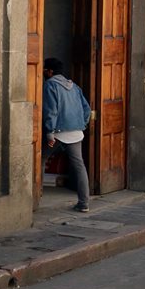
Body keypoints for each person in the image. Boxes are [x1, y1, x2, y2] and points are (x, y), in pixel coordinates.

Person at [42, 58, 92, 213]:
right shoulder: (74, 86)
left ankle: (33, 199)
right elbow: (87, 110)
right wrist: (80, 124)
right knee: (79, 165)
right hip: (76, 132)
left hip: (57, 134)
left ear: (49, 71)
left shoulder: (50, 85)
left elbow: (52, 111)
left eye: (45, 70)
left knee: (40, 159)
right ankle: (84, 203)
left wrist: (50, 132)